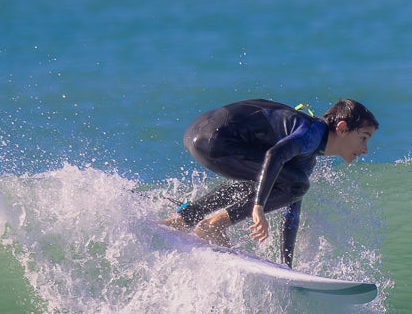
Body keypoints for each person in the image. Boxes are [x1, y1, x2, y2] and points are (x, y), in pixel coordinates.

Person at [162, 98, 378, 267]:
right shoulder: (311, 133)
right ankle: (213, 226)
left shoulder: (306, 150)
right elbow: (275, 155)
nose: (365, 150)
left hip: (197, 136)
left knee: (268, 177)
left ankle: (183, 219)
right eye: (363, 137)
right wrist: (259, 206)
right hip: (215, 139)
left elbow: (292, 213)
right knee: (284, 180)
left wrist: (286, 266)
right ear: (341, 128)